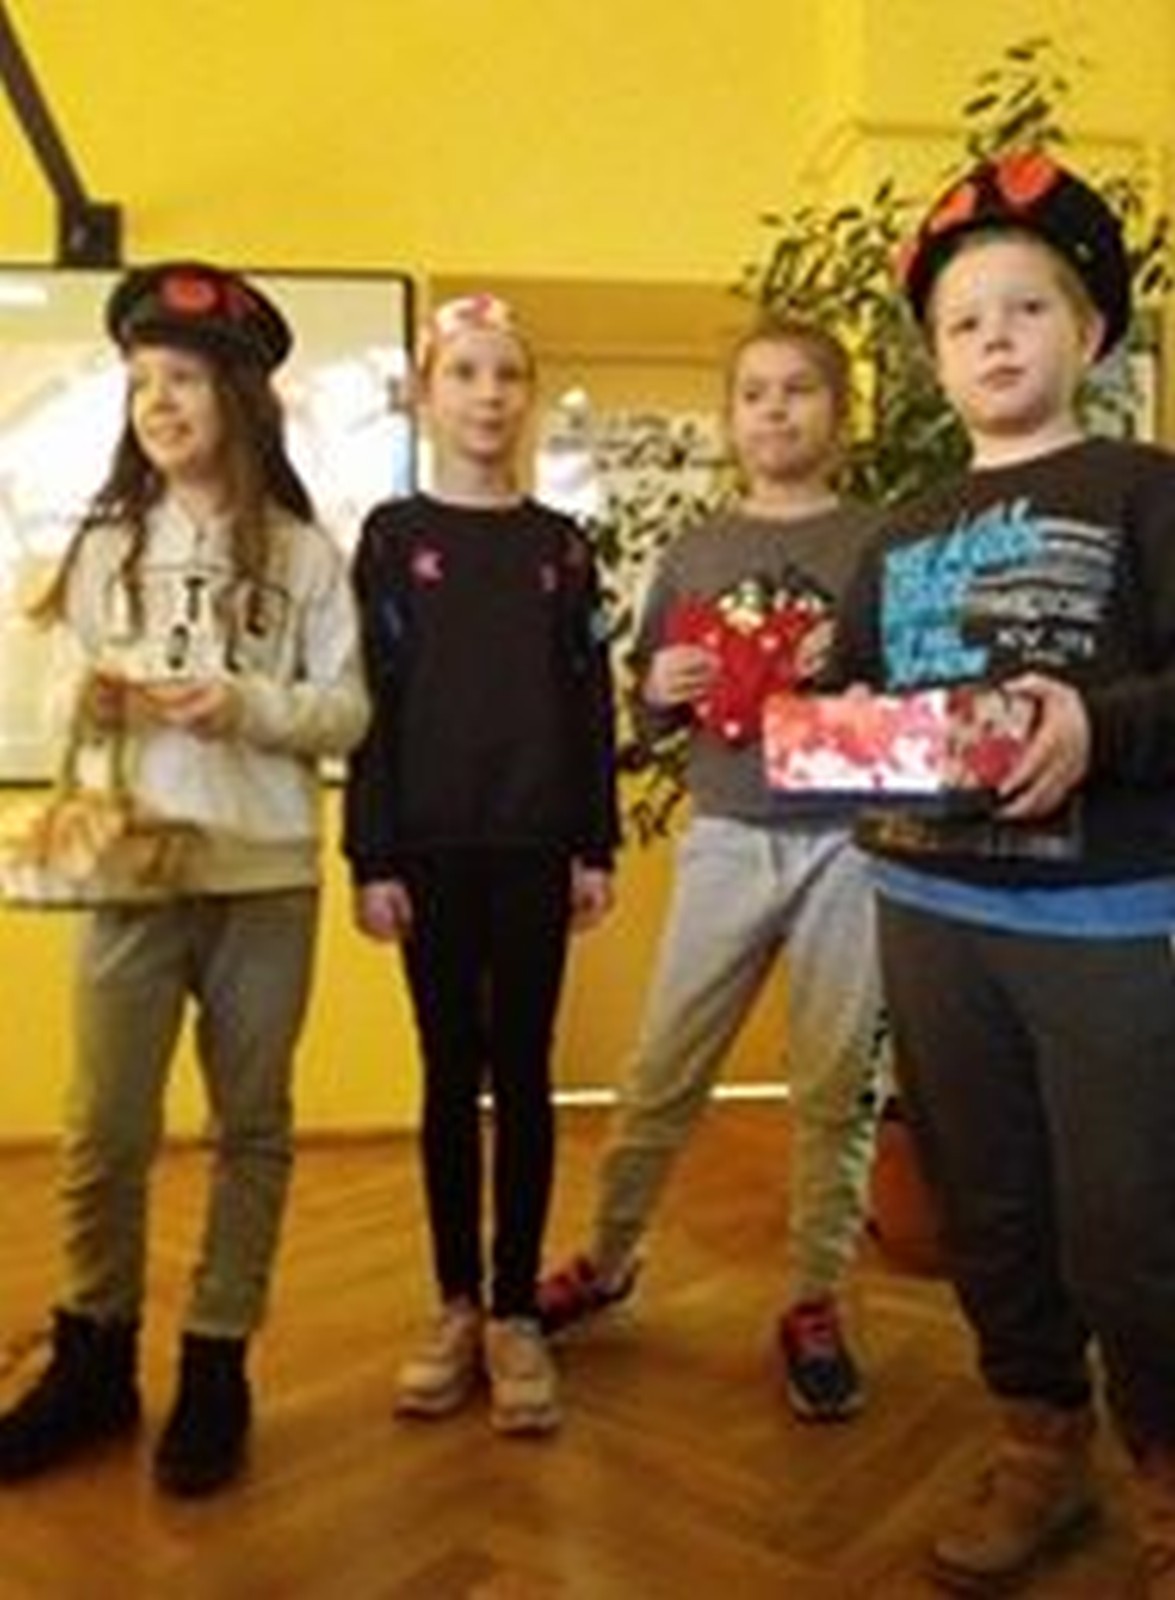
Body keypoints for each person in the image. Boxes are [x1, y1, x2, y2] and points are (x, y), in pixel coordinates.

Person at [831, 152, 1175, 1595]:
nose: (992, 337)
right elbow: (848, 695)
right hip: (926, 909)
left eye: (1025, 307)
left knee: (1132, 1219)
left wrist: (1099, 725)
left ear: (1086, 334)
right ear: (932, 359)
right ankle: (1037, 1440)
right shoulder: (898, 528)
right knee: (986, 1208)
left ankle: (1161, 1465)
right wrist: (819, 711)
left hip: (1109, 921)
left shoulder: (1147, 491)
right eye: (961, 320)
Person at [0, 262, 369, 1497]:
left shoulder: (307, 555)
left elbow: (349, 712)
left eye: (184, 379)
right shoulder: (102, 546)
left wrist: (245, 704)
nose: (158, 402)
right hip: (130, 871)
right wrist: (90, 693)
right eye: (141, 381)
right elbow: (42, 694)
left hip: (266, 878)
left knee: (251, 1127)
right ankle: (92, 1357)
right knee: (104, 1126)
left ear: (242, 396)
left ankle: (218, 1359)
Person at [537, 316, 885, 1422]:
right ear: (730, 420)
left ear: (839, 412)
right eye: (754, 393)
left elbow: (922, 694)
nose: (775, 409)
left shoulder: (881, 542)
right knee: (660, 1069)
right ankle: (608, 1256)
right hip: (728, 833)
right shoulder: (692, 551)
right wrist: (658, 686)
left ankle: (815, 1298)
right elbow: (649, 710)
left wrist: (862, 661)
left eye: (798, 390)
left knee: (835, 1083)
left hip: (851, 842)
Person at [342, 293, 619, 1436]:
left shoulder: (563, 546)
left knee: (526, 1069)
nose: (488, 395)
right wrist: (370, 853)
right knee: (447, 1072)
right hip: (426, 851)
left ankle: (514, 1312)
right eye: (464, 373)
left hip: (535, 847)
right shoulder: (389, 537)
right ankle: (454, 1301)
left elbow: (590, 699)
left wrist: (594, 842)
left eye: (507, 374)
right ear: (426, 392)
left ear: (528, 394)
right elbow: (367, 703)